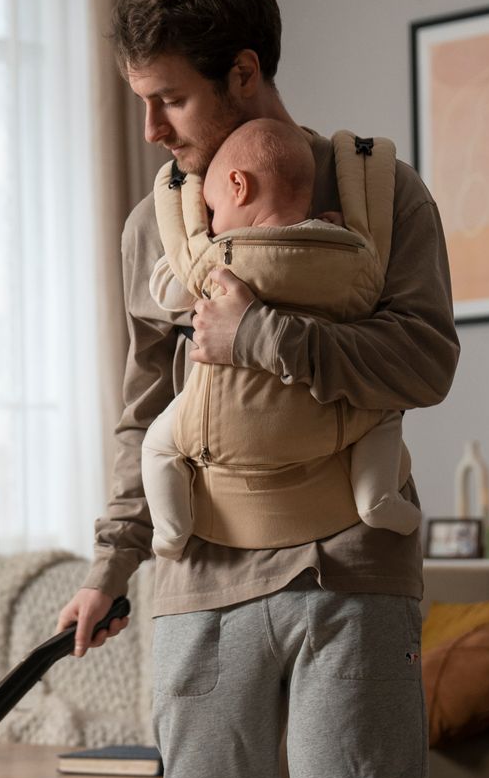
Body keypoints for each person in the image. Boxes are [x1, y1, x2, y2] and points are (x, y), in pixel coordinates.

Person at [55, 0, 459, 778]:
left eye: (169, 99)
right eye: (140, 102)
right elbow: (140, 414)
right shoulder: (151, 226)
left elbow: (425, 359)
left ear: (244, 73)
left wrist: (256, 333)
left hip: (347, 562)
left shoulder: (384, 194)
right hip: (195, 573)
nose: (152, 130)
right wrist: (113, 556)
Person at [140, 115, 419, 560]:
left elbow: (165, 289)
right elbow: (371, 300)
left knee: (157, 446)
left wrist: (194, 247)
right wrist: (335, 229)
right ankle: (377, 499)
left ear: (238, 186)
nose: (213, 220)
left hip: (221, 431)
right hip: (329, 427)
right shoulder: (344, 250)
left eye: (213, 208)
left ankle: (171, 533)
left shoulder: (213, 261)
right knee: (385, 413)